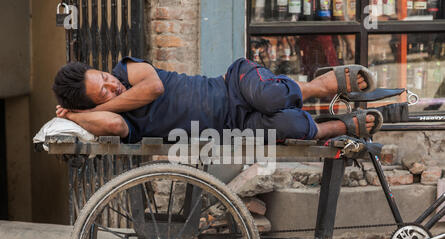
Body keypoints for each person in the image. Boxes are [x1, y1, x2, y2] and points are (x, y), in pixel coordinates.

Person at [53, 56, 377, 143]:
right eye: (104, 92)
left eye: (105, 78)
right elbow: (109, 123)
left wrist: (101, 102)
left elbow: (154, 89)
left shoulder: (129, 70)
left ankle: (321, 84)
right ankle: (338, 127)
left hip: (235, 84)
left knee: (270, 95)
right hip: (235, 126)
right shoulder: (125, 121)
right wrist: (72, 117)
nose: (112, 84)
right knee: (292, 125)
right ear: (89, 106)